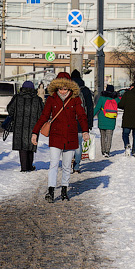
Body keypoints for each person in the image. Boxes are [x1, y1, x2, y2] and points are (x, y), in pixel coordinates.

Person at [31, 72, 90, 202]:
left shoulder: (75, 99)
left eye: (65, 88)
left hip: (70, 136)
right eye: (60, 88)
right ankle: (51, 191)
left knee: (67, 165)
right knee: (53, 164)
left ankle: (64, 190)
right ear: (56, 87)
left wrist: (85, 131)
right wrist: (35, 133)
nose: (63, 91)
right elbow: (44, 117)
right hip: (56, 136)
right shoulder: (51, 99)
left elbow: (82, 116)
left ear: (70, 87)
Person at [6, 80, 44, 172]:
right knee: (31, 145)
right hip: (33, 126)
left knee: (22, 146)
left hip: (19, 126)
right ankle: (29, 166)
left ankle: (24, 167)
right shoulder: (37, 99)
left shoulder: (17, 98)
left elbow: (10, 109)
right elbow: (42, 113)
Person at [70, 69, 94, 173]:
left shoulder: (68, 89)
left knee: (69, 143)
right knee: (79, 144)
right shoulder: (85, 90)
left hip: (69, 121)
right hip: (81, 121)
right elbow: (90, 108)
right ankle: (77, 166)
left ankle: (69, 160)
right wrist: (89, 124)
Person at [93, 83, 117, 158]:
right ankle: (107, 151)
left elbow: (97, 108)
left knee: (103, 136)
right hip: (111, 120)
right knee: (109, 136)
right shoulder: (116, 99)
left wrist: (90, 116)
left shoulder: (102, 98)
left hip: (102, 119)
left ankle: (103, 151)